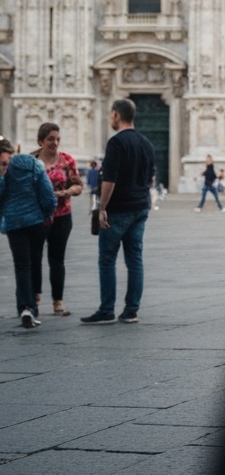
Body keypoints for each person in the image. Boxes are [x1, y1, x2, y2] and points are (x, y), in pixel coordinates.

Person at [82, 99, 156, 325]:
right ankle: (131, 310)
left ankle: (107, 310)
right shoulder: (147, 143)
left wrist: (102, 207)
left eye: (110, 115)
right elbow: (151, 179)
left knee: (107, 260)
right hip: (140, 207)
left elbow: (109, 180)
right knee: (135, 259)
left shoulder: (116, 143)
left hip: (119, 209)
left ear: (116, 115)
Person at [0, 138, 56, 327]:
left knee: (22, 265)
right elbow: (48, 195)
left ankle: (25, 307)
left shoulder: (4, 170)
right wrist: (46, 214)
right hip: (36, 222)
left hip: (15, 223)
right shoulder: (33, 164)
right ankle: (32, 307)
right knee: (34, 263)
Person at [32, 123, 83, 317]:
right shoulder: (31, 161)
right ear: (41, 141)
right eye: (51, 139)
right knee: (34, 259)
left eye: (57, 139)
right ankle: (34, 300)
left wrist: (65, 192)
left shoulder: (66, 160)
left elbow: (78, 185)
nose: (55, 143)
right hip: (36, 217)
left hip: (62, 216)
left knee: (57, 259)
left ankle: (58, 302)